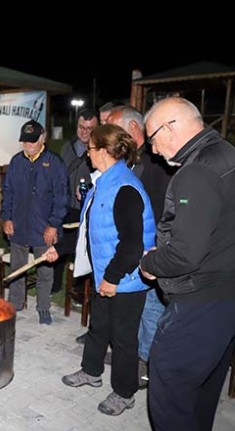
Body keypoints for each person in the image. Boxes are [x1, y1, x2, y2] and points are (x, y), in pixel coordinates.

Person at [45, 124, 155, 416]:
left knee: (122, 338)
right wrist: (61, 247)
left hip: (126, 280)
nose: (87, 153)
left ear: (104, 151)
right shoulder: (103, 182)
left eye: (91, 148)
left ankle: (124, 392)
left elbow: (133, 244)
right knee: (98, 328)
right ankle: (91, 372)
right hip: (105, 275)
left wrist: (111, 278)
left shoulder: (126, 188)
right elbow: (86, 230)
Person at [139, 97, 235, 431]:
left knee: (169, 385)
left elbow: (184, 254)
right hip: (227, 297)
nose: (151, 150)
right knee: (204, 388)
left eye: (151, 138)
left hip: (200, 299)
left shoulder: (196, 172)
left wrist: (150, 261)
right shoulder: (227, 153)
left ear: (171, 127)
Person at [106, 104, 175, 387]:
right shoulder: (131, 159)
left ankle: (146, 361)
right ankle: (131, 352)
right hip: (133, 245)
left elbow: (164, 208)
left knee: (151, 308)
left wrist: (156, 246)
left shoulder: (156, 163)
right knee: (134, 305)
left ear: (133, 129)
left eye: (115, 128)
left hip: (153, 247)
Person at [0, 120, 68, 324]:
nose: (28, 146)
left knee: (45, 270)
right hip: (19, 225)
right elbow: (8, 192)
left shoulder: (54, 162)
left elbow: (61, 197)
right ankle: (16, 303)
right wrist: (6, 218)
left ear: (42, 138)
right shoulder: (16, 162)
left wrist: (54, 224)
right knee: (17, 267)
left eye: (32, 141)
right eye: (25, 142)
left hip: (43, 227)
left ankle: (43, 306)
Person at [56, 109, 98, 344]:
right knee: (64, 246)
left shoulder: (101, 147)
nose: (85, 132)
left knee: (84, 253)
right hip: (67, 207)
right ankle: (65, 288)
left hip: (89, 209)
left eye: (90, 128)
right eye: (82, 127)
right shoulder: (67, 147)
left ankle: (83, 294)